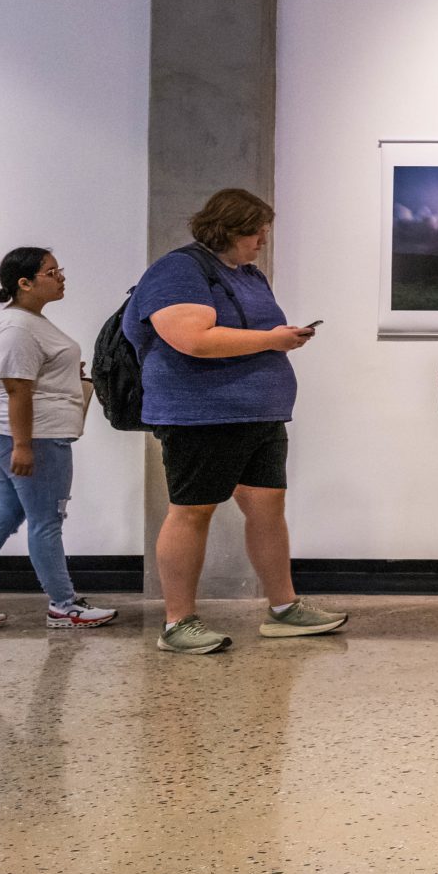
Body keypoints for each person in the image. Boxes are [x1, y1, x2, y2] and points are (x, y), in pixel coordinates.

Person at [131, 188, 347, 656]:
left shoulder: (248, 275)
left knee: (268, 509)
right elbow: (192, 339)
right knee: (192, 512)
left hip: (259, 415)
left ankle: (284, 609)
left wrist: (277, 340)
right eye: (256, 229)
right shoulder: (180, 269)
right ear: (227, 226)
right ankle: (177, 622)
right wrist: (272, 341)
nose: (263, 238)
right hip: (202, 416)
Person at [0, 249, 116, 633]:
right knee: (46, 521)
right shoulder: (17, 328)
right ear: (25, 283)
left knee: (2, 518)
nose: (61, 276)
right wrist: (23, 446)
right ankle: (64, 606)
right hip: (35, 437)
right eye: (51, 272)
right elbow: (17, 389)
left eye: (59, 269)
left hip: (27, 435)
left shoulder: (31, 322)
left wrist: (67, 373)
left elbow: (35, 377)